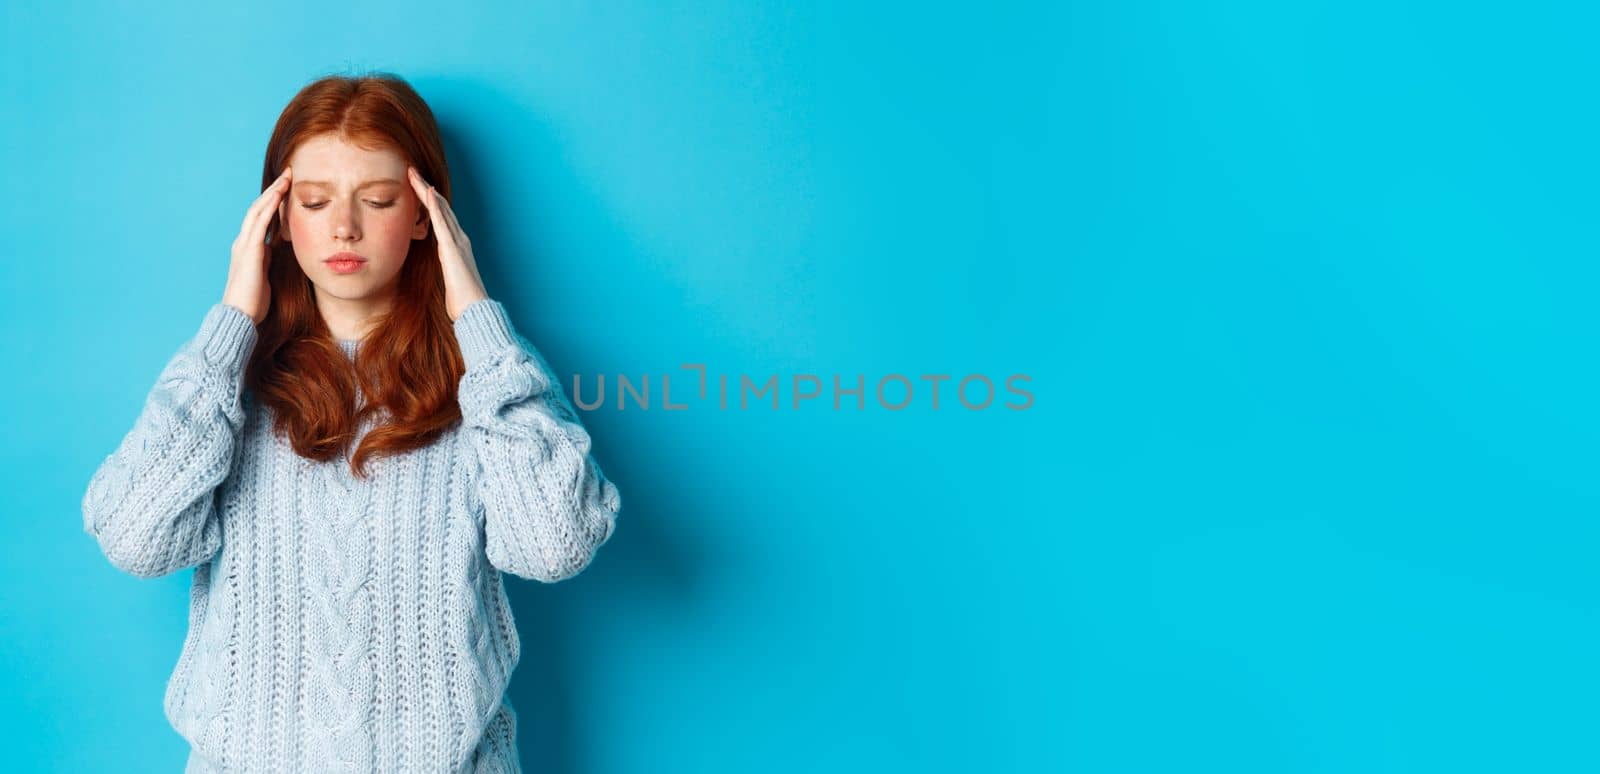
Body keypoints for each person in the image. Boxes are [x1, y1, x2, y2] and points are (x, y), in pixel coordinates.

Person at [80, 72, 621, 773]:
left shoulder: (489, 381)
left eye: (378, 199)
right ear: (276, 216)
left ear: (426, 213)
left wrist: (476, 318)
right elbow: (134, 539)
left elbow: (555, 547)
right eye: (314, 200)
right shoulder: (227, 383)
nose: (344, 227)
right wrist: (231, 324)